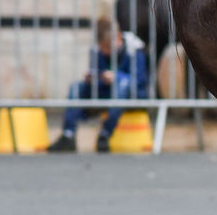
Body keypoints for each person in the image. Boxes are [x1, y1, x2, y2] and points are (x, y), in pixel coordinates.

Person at [48, 16, 149, 153]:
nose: (104, 51)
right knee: (76, 87)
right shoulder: (97, 50)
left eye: (107, 47)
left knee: (122, 85)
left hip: (131, 93)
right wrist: (93, 78)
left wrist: (116, 77)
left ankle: (105, 134)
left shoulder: (134, 49)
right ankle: (68, 134)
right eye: (102, 47)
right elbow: (96, 74)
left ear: (118, 38)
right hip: (105, 90)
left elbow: (140, 81)